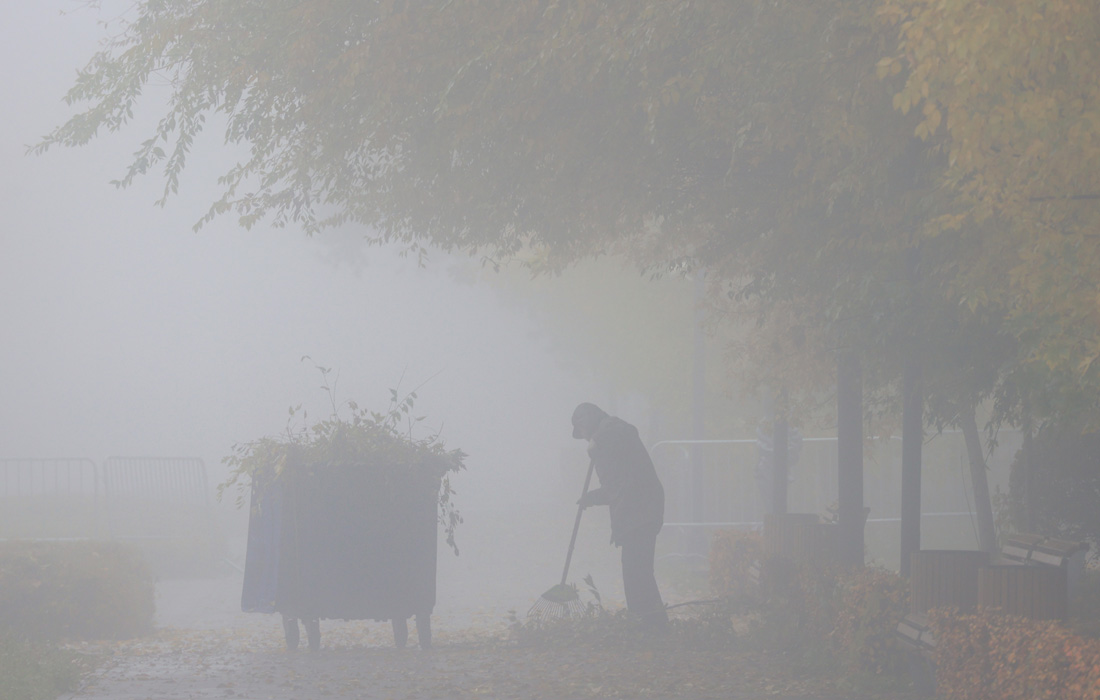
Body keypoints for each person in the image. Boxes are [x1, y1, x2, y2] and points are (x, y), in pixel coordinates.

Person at [571, 402, 669, 632]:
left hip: (641, 510)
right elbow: (614, 486)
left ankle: (651, 626)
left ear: (587, 421)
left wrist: (596, 442)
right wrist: (591, 498)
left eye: (583, 432)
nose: (585, 439)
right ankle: (648, 624)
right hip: (636, 511)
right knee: (635, 570)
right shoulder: (606, 445)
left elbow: (623, 431)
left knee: (637, 570)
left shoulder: (612, 429)